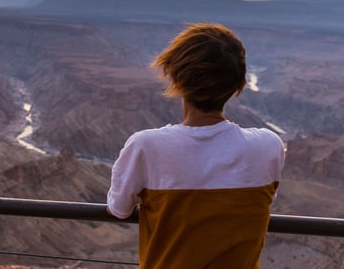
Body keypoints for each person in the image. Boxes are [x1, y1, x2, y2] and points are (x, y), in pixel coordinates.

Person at [107, 23, 285, 268]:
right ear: (238, 85)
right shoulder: (268, 147)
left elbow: (119, 208)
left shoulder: (146, 146)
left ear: (176, 78)